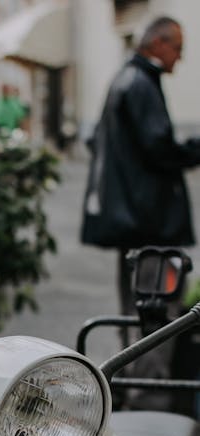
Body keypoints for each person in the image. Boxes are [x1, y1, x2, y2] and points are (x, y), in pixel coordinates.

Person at [80, 16, 200, 408]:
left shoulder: (124, 80)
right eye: (178, 48)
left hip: (134, 224)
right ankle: (150, 401)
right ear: (158, 44)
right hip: (151, 223)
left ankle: (132, 391)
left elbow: (96, 141)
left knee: (135, 308)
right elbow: (158, 146)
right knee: (156, 311)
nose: (180, 59)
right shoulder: (141, 83)